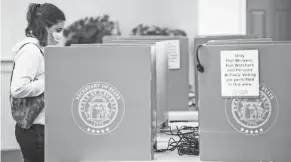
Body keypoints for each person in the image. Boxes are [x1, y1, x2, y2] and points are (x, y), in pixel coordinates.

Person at [10, 3, 66, 162]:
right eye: (58, 30)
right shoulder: (31, 51)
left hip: (38, 129)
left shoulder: (40, 50)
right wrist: (49, 80)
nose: (60, 36)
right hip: (34, 131)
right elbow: (18, 88)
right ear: (44, 27)